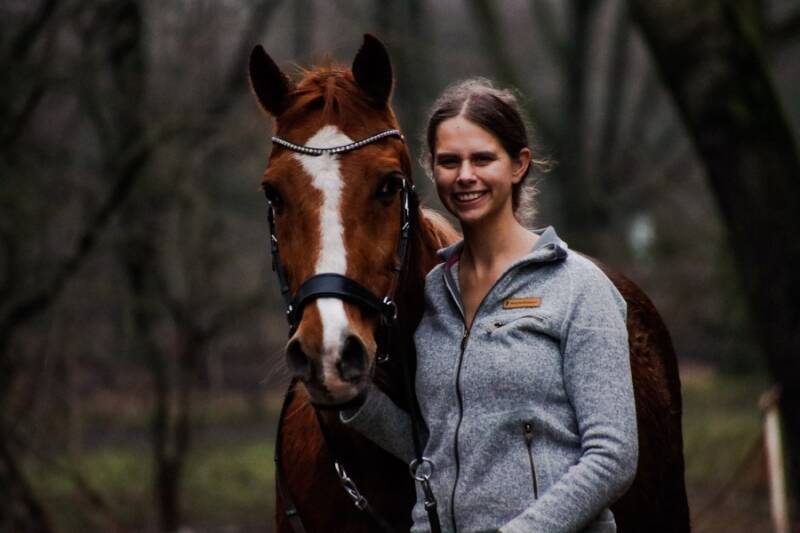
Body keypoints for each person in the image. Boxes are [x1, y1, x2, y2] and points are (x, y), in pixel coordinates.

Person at [341, 79, 638, 533]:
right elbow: (434, 447)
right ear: (432, 170)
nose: (465, 176)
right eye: (449, 162)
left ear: (518, 165)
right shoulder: (434, 293)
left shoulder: (579, 287)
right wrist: (356, 399)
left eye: (482, 159)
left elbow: (613, 455)